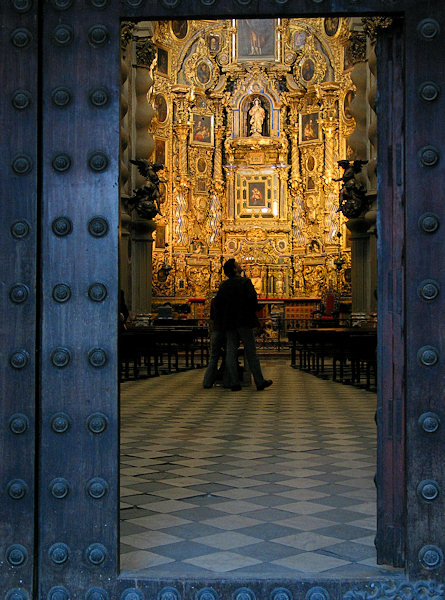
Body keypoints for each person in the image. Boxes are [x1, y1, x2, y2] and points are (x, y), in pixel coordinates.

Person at [213, 258, 273, 392]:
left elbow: (218, 304)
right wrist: (254, 312)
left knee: (230, 351)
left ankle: (234, 382)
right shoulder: (245, 282)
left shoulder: (224, 285)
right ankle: (259, 381)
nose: (240, 266)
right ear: (235, 269)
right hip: (244, 321)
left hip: (229, 322)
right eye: (238, 265)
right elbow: (252, 301)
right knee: (251, 351)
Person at [202, 296, 228, 389]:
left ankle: (207, 381)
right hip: (226, 330)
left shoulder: (214, 300)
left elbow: (212, 317)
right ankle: (227, 381)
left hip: (216, 329)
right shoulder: (229, 299)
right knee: (228, 356)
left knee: (213, 358)